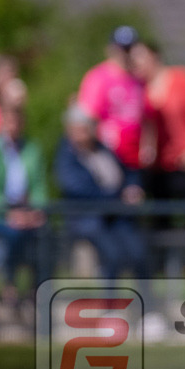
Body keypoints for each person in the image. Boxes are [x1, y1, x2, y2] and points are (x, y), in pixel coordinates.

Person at [130, 40, 185, 269]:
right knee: (159, 220)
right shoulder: (137, 88)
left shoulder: (181, 79)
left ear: (155, 56)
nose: (136, 62)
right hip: (156, 167)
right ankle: (158, 268)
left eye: (141, 57)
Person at [54, 104, 149, 282]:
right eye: (82, 128)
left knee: (139, 254)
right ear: (71, 129)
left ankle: (147, 304)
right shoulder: (67, 156)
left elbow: (125, 172)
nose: (87, 132)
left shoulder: (103, 149)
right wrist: (117, 197)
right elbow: (79, 189)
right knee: (113, 255)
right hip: (89, 218)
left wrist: (132, 187)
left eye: (89, 127)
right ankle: (110, 306)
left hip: (116, 216)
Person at [0, 106, 50, 304]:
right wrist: (10, 213)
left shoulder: (32, 149)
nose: (13, 127)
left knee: (46, 234)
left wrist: (36, 212)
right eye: (8, 122)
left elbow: (40, 187)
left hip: (27, 213)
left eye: (17, 122)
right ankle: (9, 284)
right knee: (14, 235)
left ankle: (39, 287)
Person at [77, 26, 148, 175]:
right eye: (123, 49)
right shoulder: (98, 78)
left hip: (137, 157)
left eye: (130, 49)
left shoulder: (139, 79)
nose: (126, 54)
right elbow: (86, 117)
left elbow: (147, 118)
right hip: (109, 154)